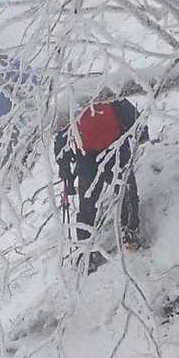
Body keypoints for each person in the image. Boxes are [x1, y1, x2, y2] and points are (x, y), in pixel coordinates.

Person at [54, 97, 146, 272]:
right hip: (87, 155)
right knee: (88, 204)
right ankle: (85, 251)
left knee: (126, 191)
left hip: (116, 147)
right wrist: (64, 169)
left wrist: (140, 130)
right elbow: (61, 137)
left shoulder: (104, 92)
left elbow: (126, 108)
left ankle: (129, 232)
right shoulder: (73, 100)